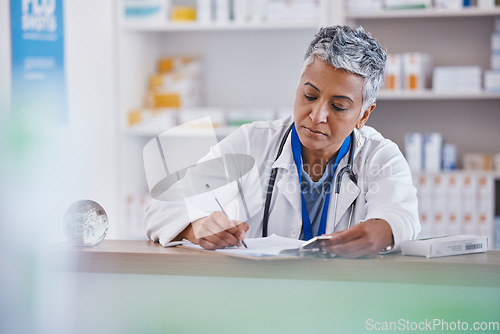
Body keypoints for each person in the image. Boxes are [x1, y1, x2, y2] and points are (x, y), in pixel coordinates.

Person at [144, 25, 420, 258]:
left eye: (338, 106)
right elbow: (161, 206)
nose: (317, 115)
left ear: (363, 115)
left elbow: (402, 217)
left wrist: (382, 230)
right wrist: (198, 226)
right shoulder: (253, 142)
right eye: (310, 96)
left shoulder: (380, 157)